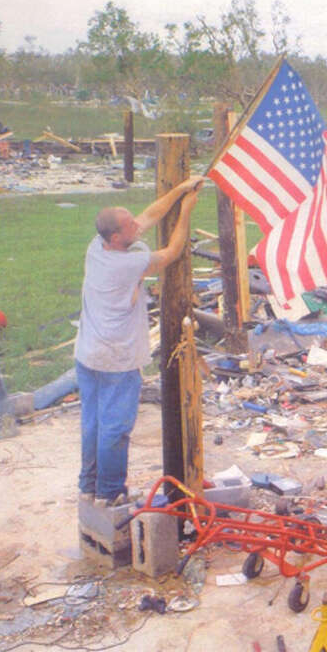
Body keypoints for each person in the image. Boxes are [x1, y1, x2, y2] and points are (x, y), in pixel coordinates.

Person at [75, 175, 205, 506]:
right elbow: (173, 252)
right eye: (129, 224)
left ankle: (88, 486)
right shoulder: (129, 263)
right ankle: (110, 493)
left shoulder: (98, 246)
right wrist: (187, 210)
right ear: (117, 236)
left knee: (93, 423)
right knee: (115, 428)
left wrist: (180, 188)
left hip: (88, 354)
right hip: (116, 358)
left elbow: (148, 216)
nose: (137, 223)